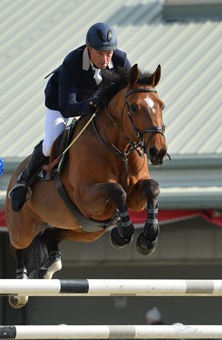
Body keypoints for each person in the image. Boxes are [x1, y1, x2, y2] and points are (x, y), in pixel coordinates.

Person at [9, 22, 132, 212]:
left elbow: (129, 94)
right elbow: (67, 108)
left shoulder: (121, 60)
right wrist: (91, 105)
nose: (105, 59)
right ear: (89, 49)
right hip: (61, 102)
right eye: (100, 53)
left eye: (109, 53)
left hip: (98, 103)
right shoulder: (73, 62)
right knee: (51, 143)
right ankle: (23, 181)